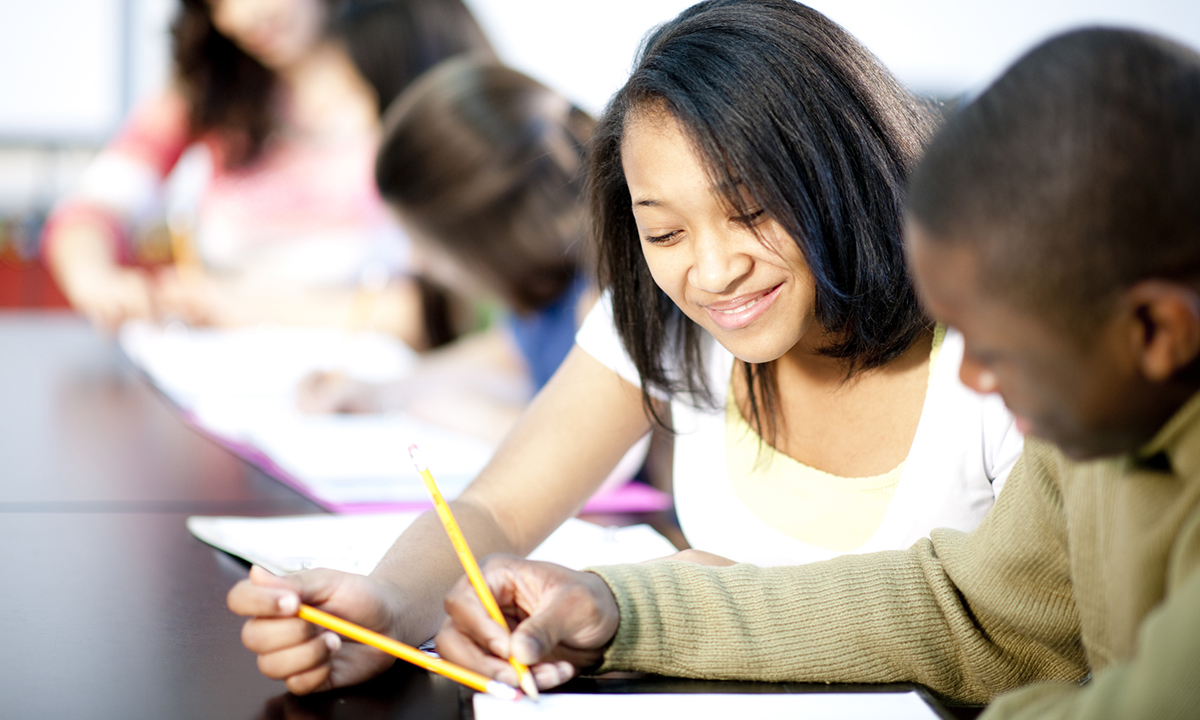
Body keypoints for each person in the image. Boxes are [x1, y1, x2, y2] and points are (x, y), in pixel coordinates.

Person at [226, 0, 1020, 695]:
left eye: (750, 212)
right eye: (665, 231)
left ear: (841, 171)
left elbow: (1014, 628)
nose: (712, 271)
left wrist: (649, 600)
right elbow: (500, 506)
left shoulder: (1007, 355)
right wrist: (389, 604)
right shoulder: (664, 317)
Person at [432, 26, 1200, 716]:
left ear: (1158, 332)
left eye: (998, 353)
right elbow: (969, 610)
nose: (976, 379)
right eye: (663, 230)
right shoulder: (1101, 421)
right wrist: (625, 609)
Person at [43, 0, 491, 347]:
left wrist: (241, 307)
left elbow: (438, 316)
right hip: (230, 386)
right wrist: (95, 279)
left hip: (378, 395)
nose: (239, 17)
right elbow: (91, 209)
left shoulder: (416, 75)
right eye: (215, 2)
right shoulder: (208, 91)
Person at [297, 57, 608, 448]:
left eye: (427, 247)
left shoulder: (602, 292)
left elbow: (593, 443)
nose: (416, 263)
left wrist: (470, 414)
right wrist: (380, 392)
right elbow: (506, 355)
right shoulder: (546, 283)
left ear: (497, 238)